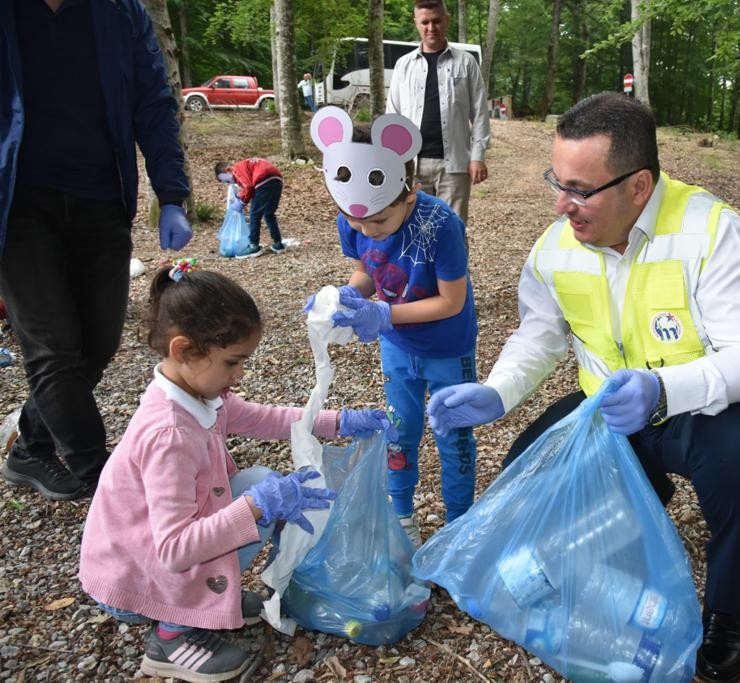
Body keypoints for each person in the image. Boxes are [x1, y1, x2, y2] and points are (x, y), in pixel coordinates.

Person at [426, 93, 740, 683]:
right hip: (605, 409)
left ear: (639, 186)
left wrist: (663, 389)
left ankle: (726, 607)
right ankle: (630, 565)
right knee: (526, 478)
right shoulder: (554, 246)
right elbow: (540, 335)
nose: (560, 203)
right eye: (557, 180)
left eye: (578, 188)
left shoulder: (710, 231)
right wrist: (496, 392)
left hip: (698, 409)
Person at [79, 261, 396, 682]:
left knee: (258, 482)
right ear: (183, 349)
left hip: (146, 556)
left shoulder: (195, 393)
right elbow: (174, 549)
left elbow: (266, 418)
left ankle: (206, 598)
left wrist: (339, 421)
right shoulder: (170, 433)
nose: (240, 374)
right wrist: (255, 509)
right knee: (256, 497)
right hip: (136, 581)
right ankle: (171, 636)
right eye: (232, 362)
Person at [0, 0, 193, 502]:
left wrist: (171, 194)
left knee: (98, 342)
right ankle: (100, 475)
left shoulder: (118, 12)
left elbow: (153, 101)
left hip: (101, 199)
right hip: (16, 205)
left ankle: (29, 448)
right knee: (53, 347)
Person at [307, 106, 478, 547]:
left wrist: (384, 314)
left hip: (447, 347)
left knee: (453, 437)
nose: (367, 229)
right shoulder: (354, 214)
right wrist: (348, 296)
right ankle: (402, 514)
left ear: (409, 192)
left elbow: (451, 301)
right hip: (397, 348)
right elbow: (366, 269)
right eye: (356, 222)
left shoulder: (441, 225)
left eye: (378, 220)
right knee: (400, 432)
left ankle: (459, 523)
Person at [386, 0, 490, 224]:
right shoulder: (404, 66)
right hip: (412, 164)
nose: (431, 28)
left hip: (454, 165)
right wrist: (392, 159)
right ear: (416, 23)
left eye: (436, 21)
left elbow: (480, 113)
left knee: (452, 228)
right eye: (425, 22)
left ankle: (454, 261)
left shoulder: (466, 63)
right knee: (414, 228)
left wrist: (477, 157)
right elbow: (392, 115)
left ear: (447, 21)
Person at [214, 158, 285, 258]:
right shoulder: (245, 166)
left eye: (227, 180)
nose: (229, 183)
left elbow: (248, 187)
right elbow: (247, 187)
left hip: (263, 180)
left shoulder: (236, 169)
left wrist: (242, 202)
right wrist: (239, 197)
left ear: (228, 170)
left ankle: (253, 246)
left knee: (255, 214)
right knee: (269, 213)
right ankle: (278, 243)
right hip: (277, 179)